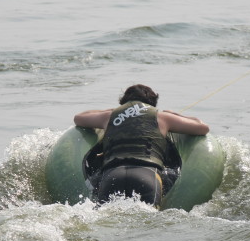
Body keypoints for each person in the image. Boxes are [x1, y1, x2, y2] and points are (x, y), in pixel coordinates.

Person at [73, 84, 209, 208]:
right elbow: (202, 127)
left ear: (123, 102)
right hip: (148, 175)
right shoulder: (162, 117)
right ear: (153, 103)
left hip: (111, 175)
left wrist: (111, 110)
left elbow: (79, 117)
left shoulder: (109, 116)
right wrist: (174, 114)